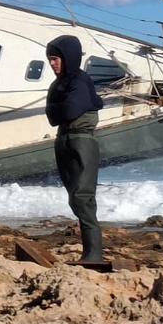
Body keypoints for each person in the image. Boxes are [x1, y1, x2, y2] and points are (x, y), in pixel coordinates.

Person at [45, 34, 106, 264]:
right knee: (74, 198)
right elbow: (52, 117)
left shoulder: (80, 80)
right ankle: (89, 253)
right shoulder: (58, 84)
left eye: (55, 59)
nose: (52, 63)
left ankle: (94, 253)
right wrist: (61, 107)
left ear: (68, 57)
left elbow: (69, 110)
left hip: (82, 141)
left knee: (83, 196)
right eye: (50, 59)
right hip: (63, 139)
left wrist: (59, 107)